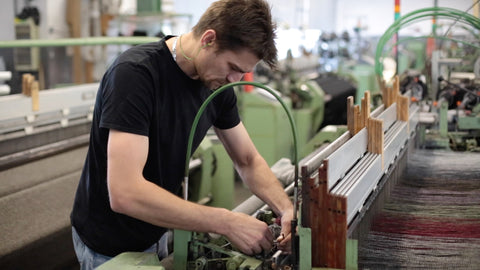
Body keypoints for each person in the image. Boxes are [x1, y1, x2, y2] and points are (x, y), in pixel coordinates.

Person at [70, 0, 294, 268]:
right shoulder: (135, 75)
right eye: (233, 67)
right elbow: (125, 192)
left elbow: (247, 160)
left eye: (242, 72)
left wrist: (285, 208)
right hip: (108, 243)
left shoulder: (217, 87)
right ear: (209, 39)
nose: (235, 79)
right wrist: (226, 222)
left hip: (157, 227)